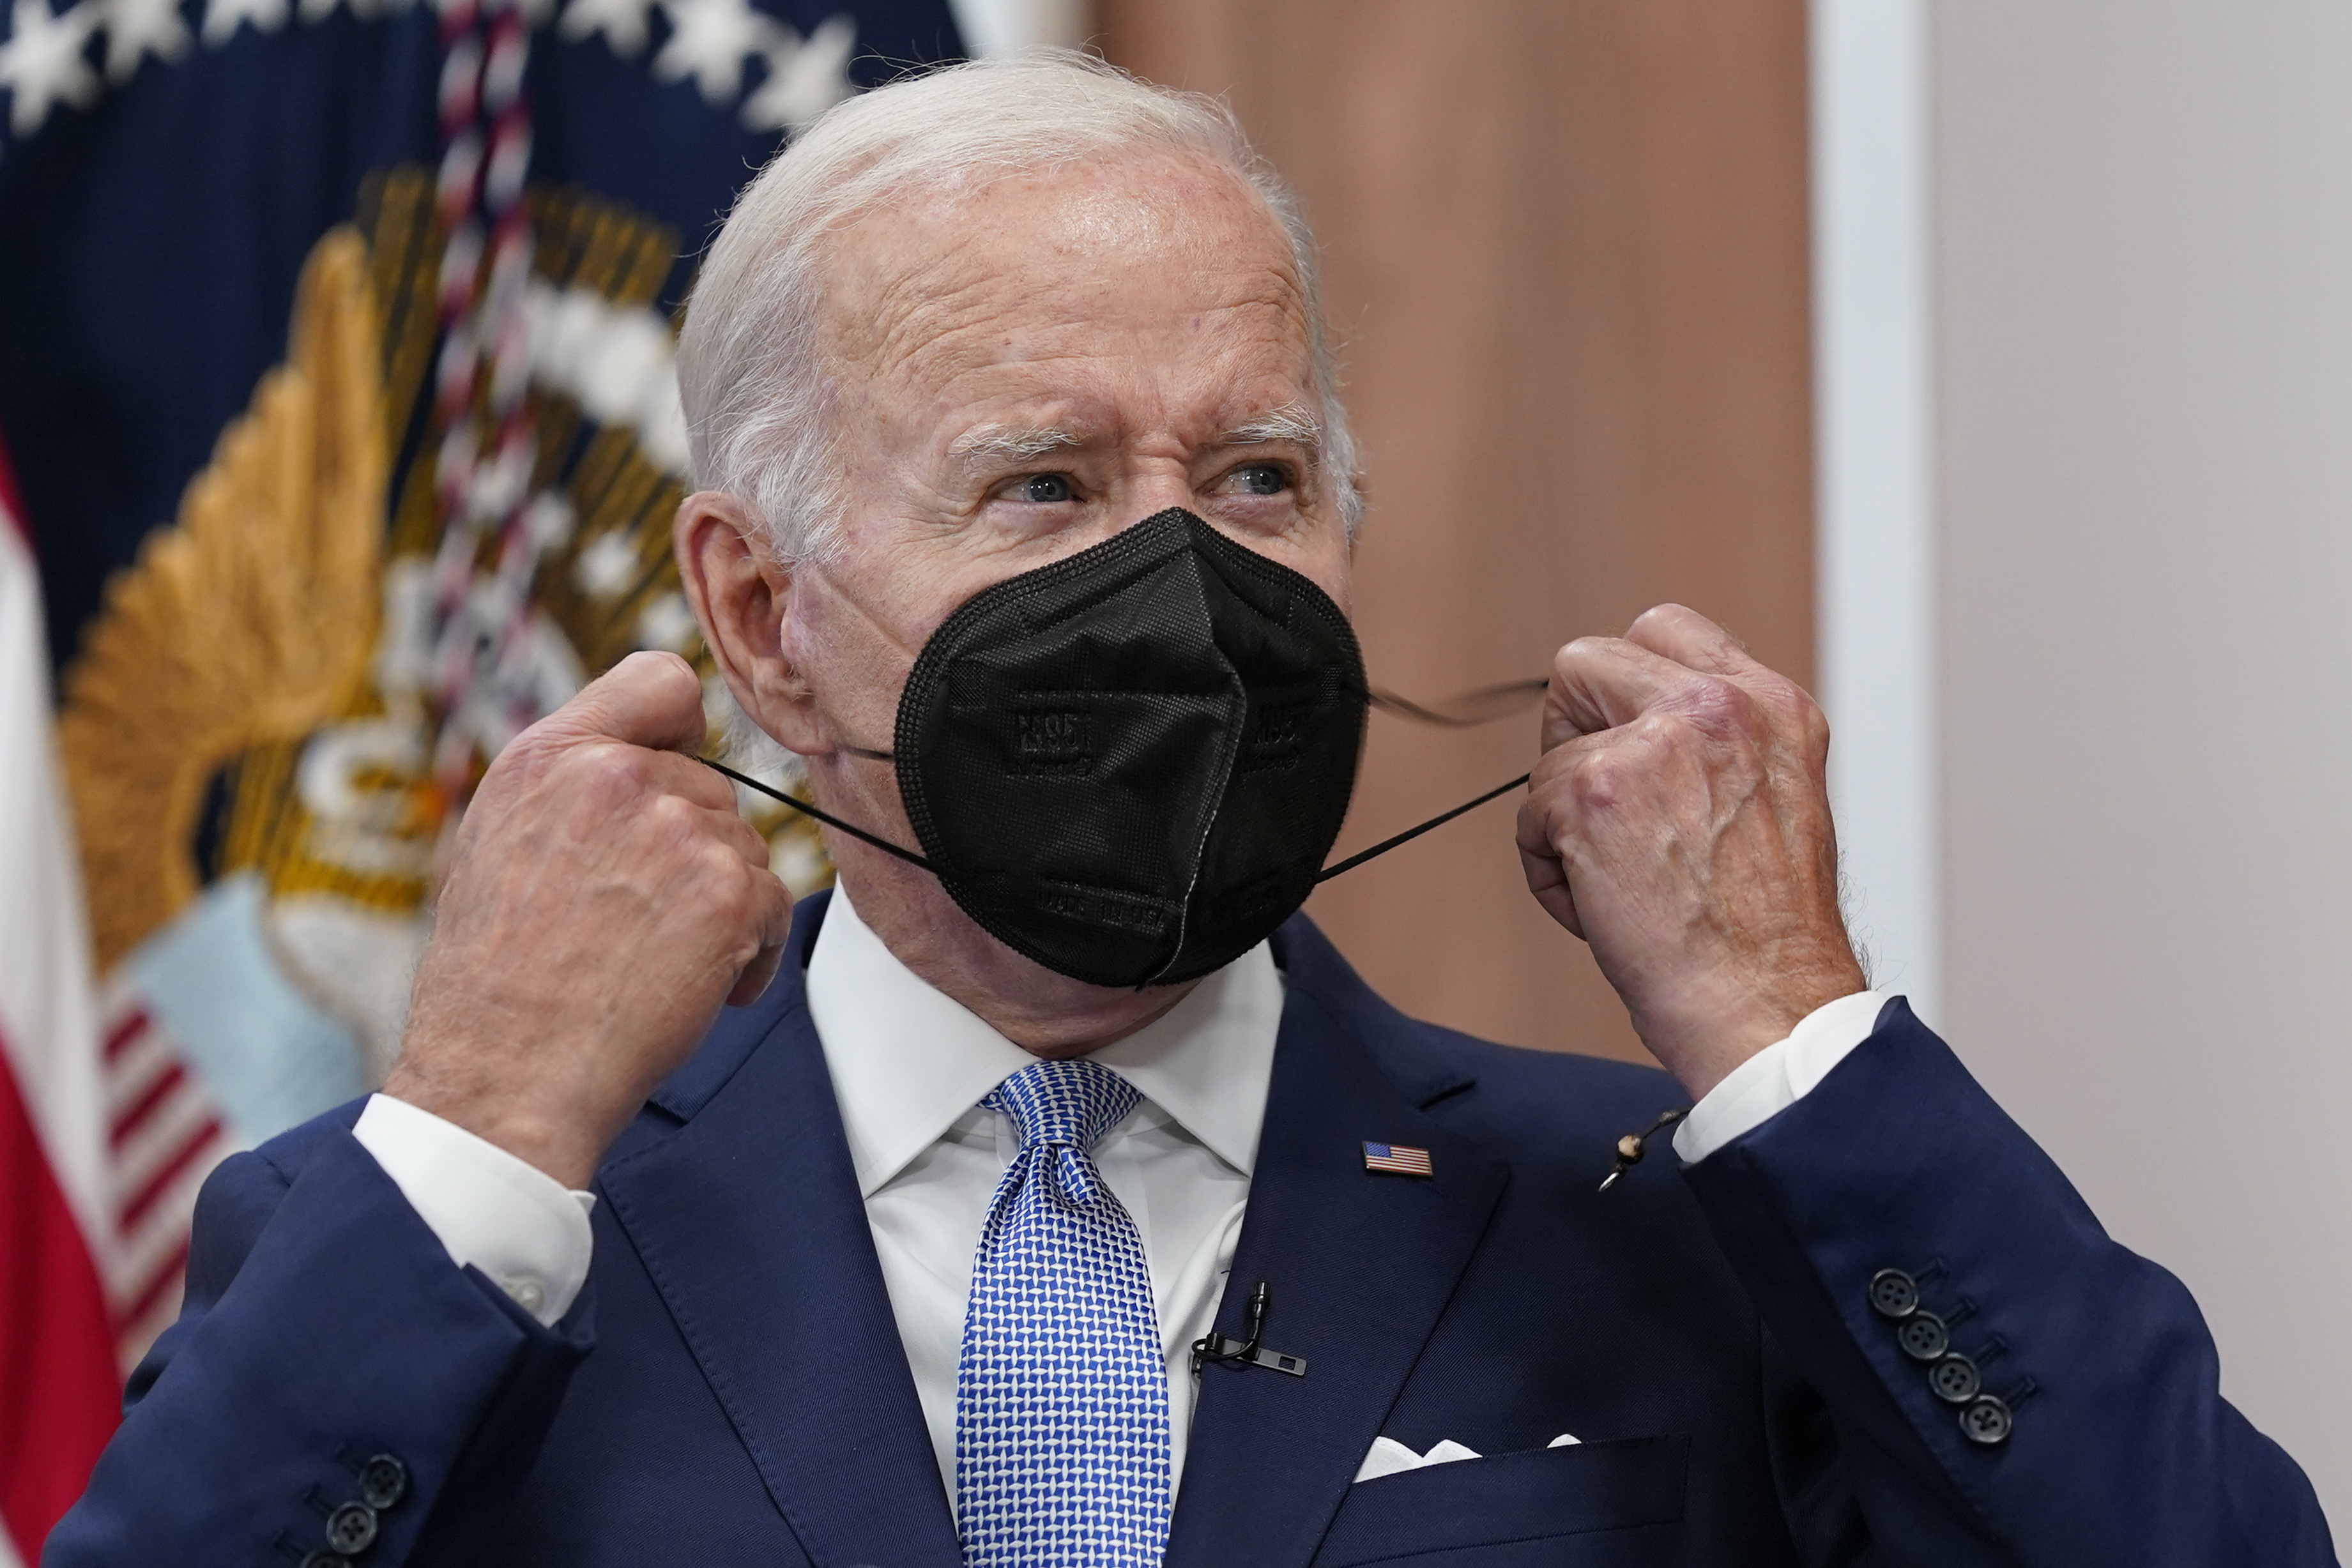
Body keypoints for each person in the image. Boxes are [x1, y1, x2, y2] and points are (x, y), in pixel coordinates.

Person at [50, 52, 2333, 1568]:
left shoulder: (1662, 1221)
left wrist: (1788, 1036)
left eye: (1255, 478)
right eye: (1042, 487)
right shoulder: (458, 1233)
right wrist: (469, 1121)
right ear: (758, 614)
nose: (1184, 584)